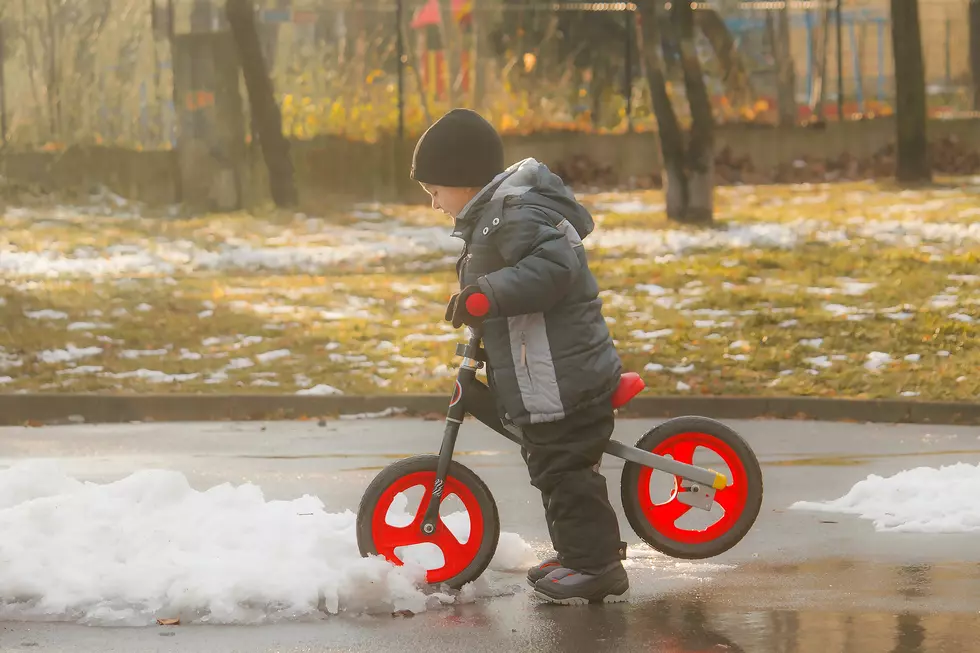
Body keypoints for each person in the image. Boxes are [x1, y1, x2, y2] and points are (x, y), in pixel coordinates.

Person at [410, 108, 629, 605]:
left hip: (563, 376)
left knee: (563, 469)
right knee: (548, 464)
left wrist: (486, 294)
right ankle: (578, 552)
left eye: (434, 191)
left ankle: (597, 566)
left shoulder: (514, 214)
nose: (434, 204)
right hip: (545, 371)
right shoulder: (493, 218)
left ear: (462, 180)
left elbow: (555, 268)